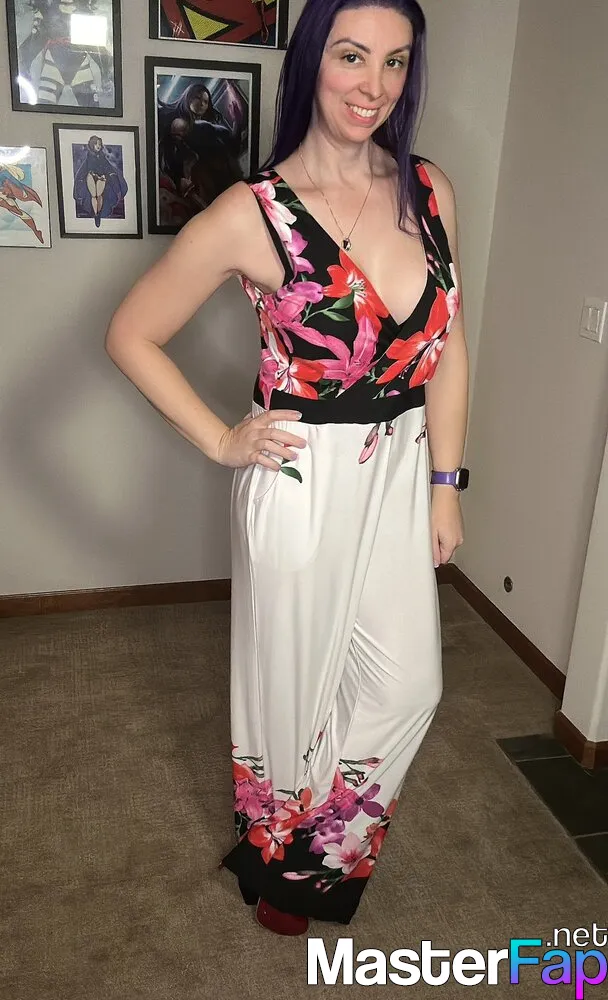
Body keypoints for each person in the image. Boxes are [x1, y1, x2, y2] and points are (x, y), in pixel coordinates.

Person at [105, 0, 469, 935]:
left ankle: (314, 845)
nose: (374, 85)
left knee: (407, 688)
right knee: (290, 698)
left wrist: (446, 484)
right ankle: (281, 865)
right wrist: (223, 440)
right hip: (302, 479)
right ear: (312, 59)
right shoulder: (252, 213)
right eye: (352, 56)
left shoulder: (428, 189)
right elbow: (131, 333)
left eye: (395, 62)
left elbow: (450, 346)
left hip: (399, 472)